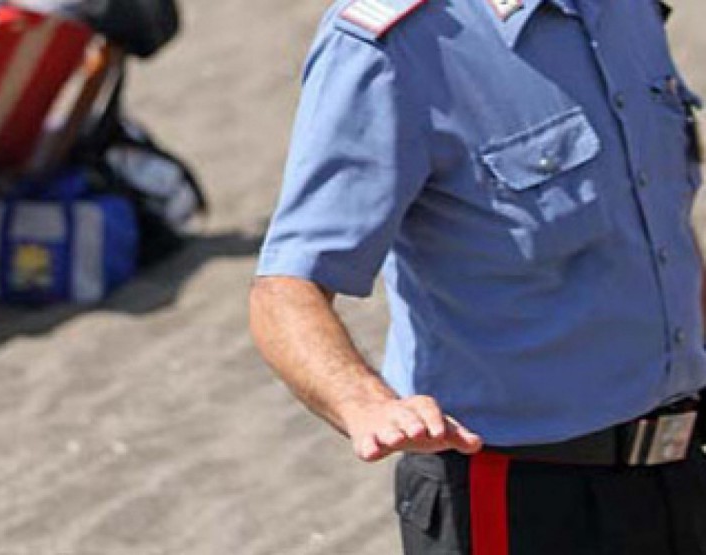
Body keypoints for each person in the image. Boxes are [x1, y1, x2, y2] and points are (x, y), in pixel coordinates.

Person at [249, 0, 706, 553]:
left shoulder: (626, 10)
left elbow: (660, 226)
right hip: (521, 498)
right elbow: (286, 287)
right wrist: (365, 402)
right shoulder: (393, 46)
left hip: (682, 470)